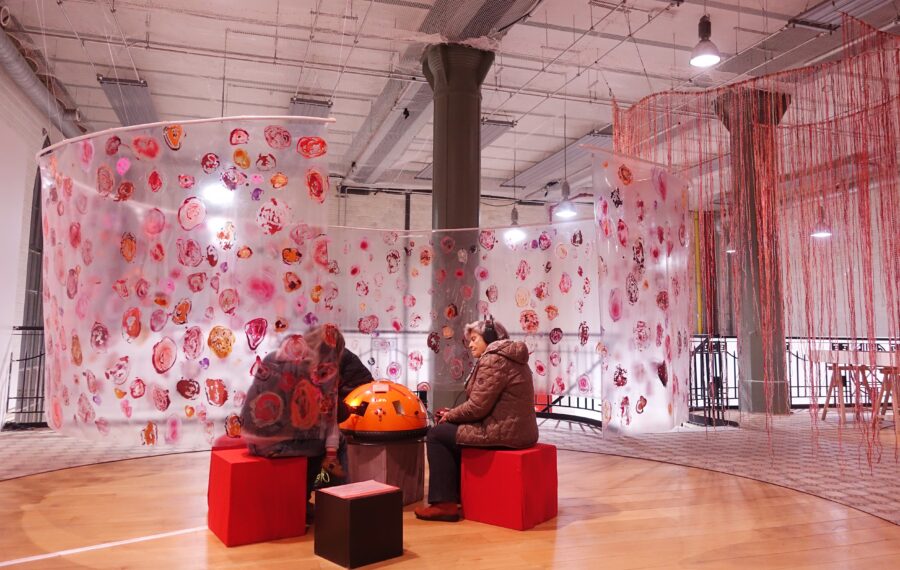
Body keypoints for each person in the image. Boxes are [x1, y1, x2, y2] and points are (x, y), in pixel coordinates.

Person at [414, 318, 539, 522]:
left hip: (503, 432)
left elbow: (477, 408)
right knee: (450, 429)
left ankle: (444, 504)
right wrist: (453, 414)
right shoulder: (510, 357)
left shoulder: (494, 359)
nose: (470, 345)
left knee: (436, 434)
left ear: (489, 338)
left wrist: (449, 415)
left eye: (474, 339)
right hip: (518, 431)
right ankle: (454, 495)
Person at [240, 323, 346, 503]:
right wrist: (331, 452)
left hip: (253, 442)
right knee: (334, 441)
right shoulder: (322, 372)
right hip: (280, 447)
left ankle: (300, 499)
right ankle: (315, 500)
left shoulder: (275, 356)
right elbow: (328, 421)